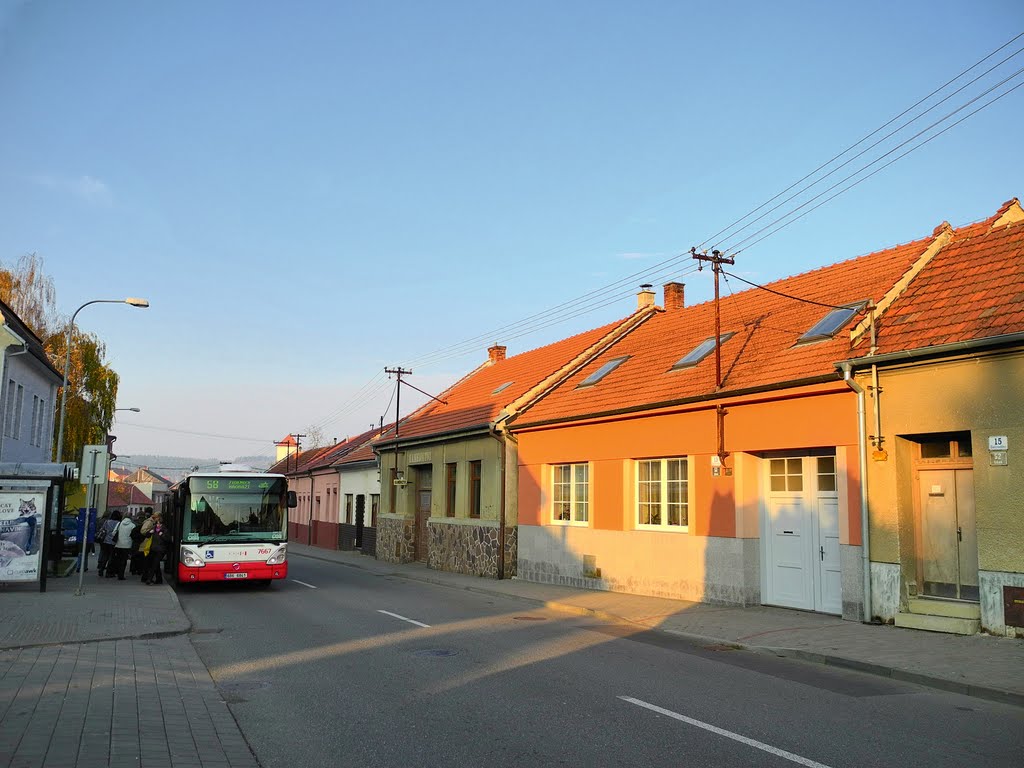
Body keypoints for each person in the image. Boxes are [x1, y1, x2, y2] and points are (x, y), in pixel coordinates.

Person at [142, 511, 169, 585]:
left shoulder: (164, 529)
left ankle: (149, 579)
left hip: (160, 550)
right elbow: (147, 536)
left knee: (154, 564)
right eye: (156, 523)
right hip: (153, 548)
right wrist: (149, 532)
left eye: (159, 524)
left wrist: (162, 535)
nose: (158, 525)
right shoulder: (153, 528)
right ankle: (159, 579)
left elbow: (167, 539)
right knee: (155, 565)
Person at [107, 512, 136, 580]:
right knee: (124, 560)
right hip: (127, 545)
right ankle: (121, 575)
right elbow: (133, 535)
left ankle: (116, 572)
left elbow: (114, 532)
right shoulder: (132, 525)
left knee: (118, 559)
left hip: (118, 544)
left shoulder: (119, 523)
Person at [96, 510, 122, 577]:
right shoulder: (119, 523)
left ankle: (101, 570)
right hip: (113, 542)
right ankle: (108, 572)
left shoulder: (107, 521)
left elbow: (102, 529)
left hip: (105, 541)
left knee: (105, 556)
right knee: (111, 557)